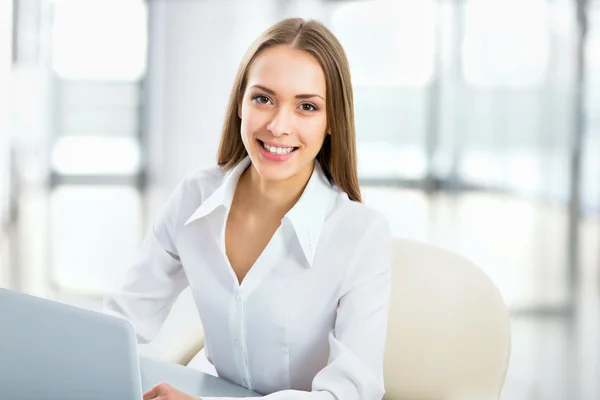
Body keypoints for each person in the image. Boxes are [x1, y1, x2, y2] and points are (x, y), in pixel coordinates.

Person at [103, 17, 392, 400]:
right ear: (240, 104)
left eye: (306, 106)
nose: (277, 125)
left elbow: (349, 393)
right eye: (263, 98)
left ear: (331, 122)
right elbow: (121, 320)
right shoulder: (195, 196)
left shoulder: (361, 234)